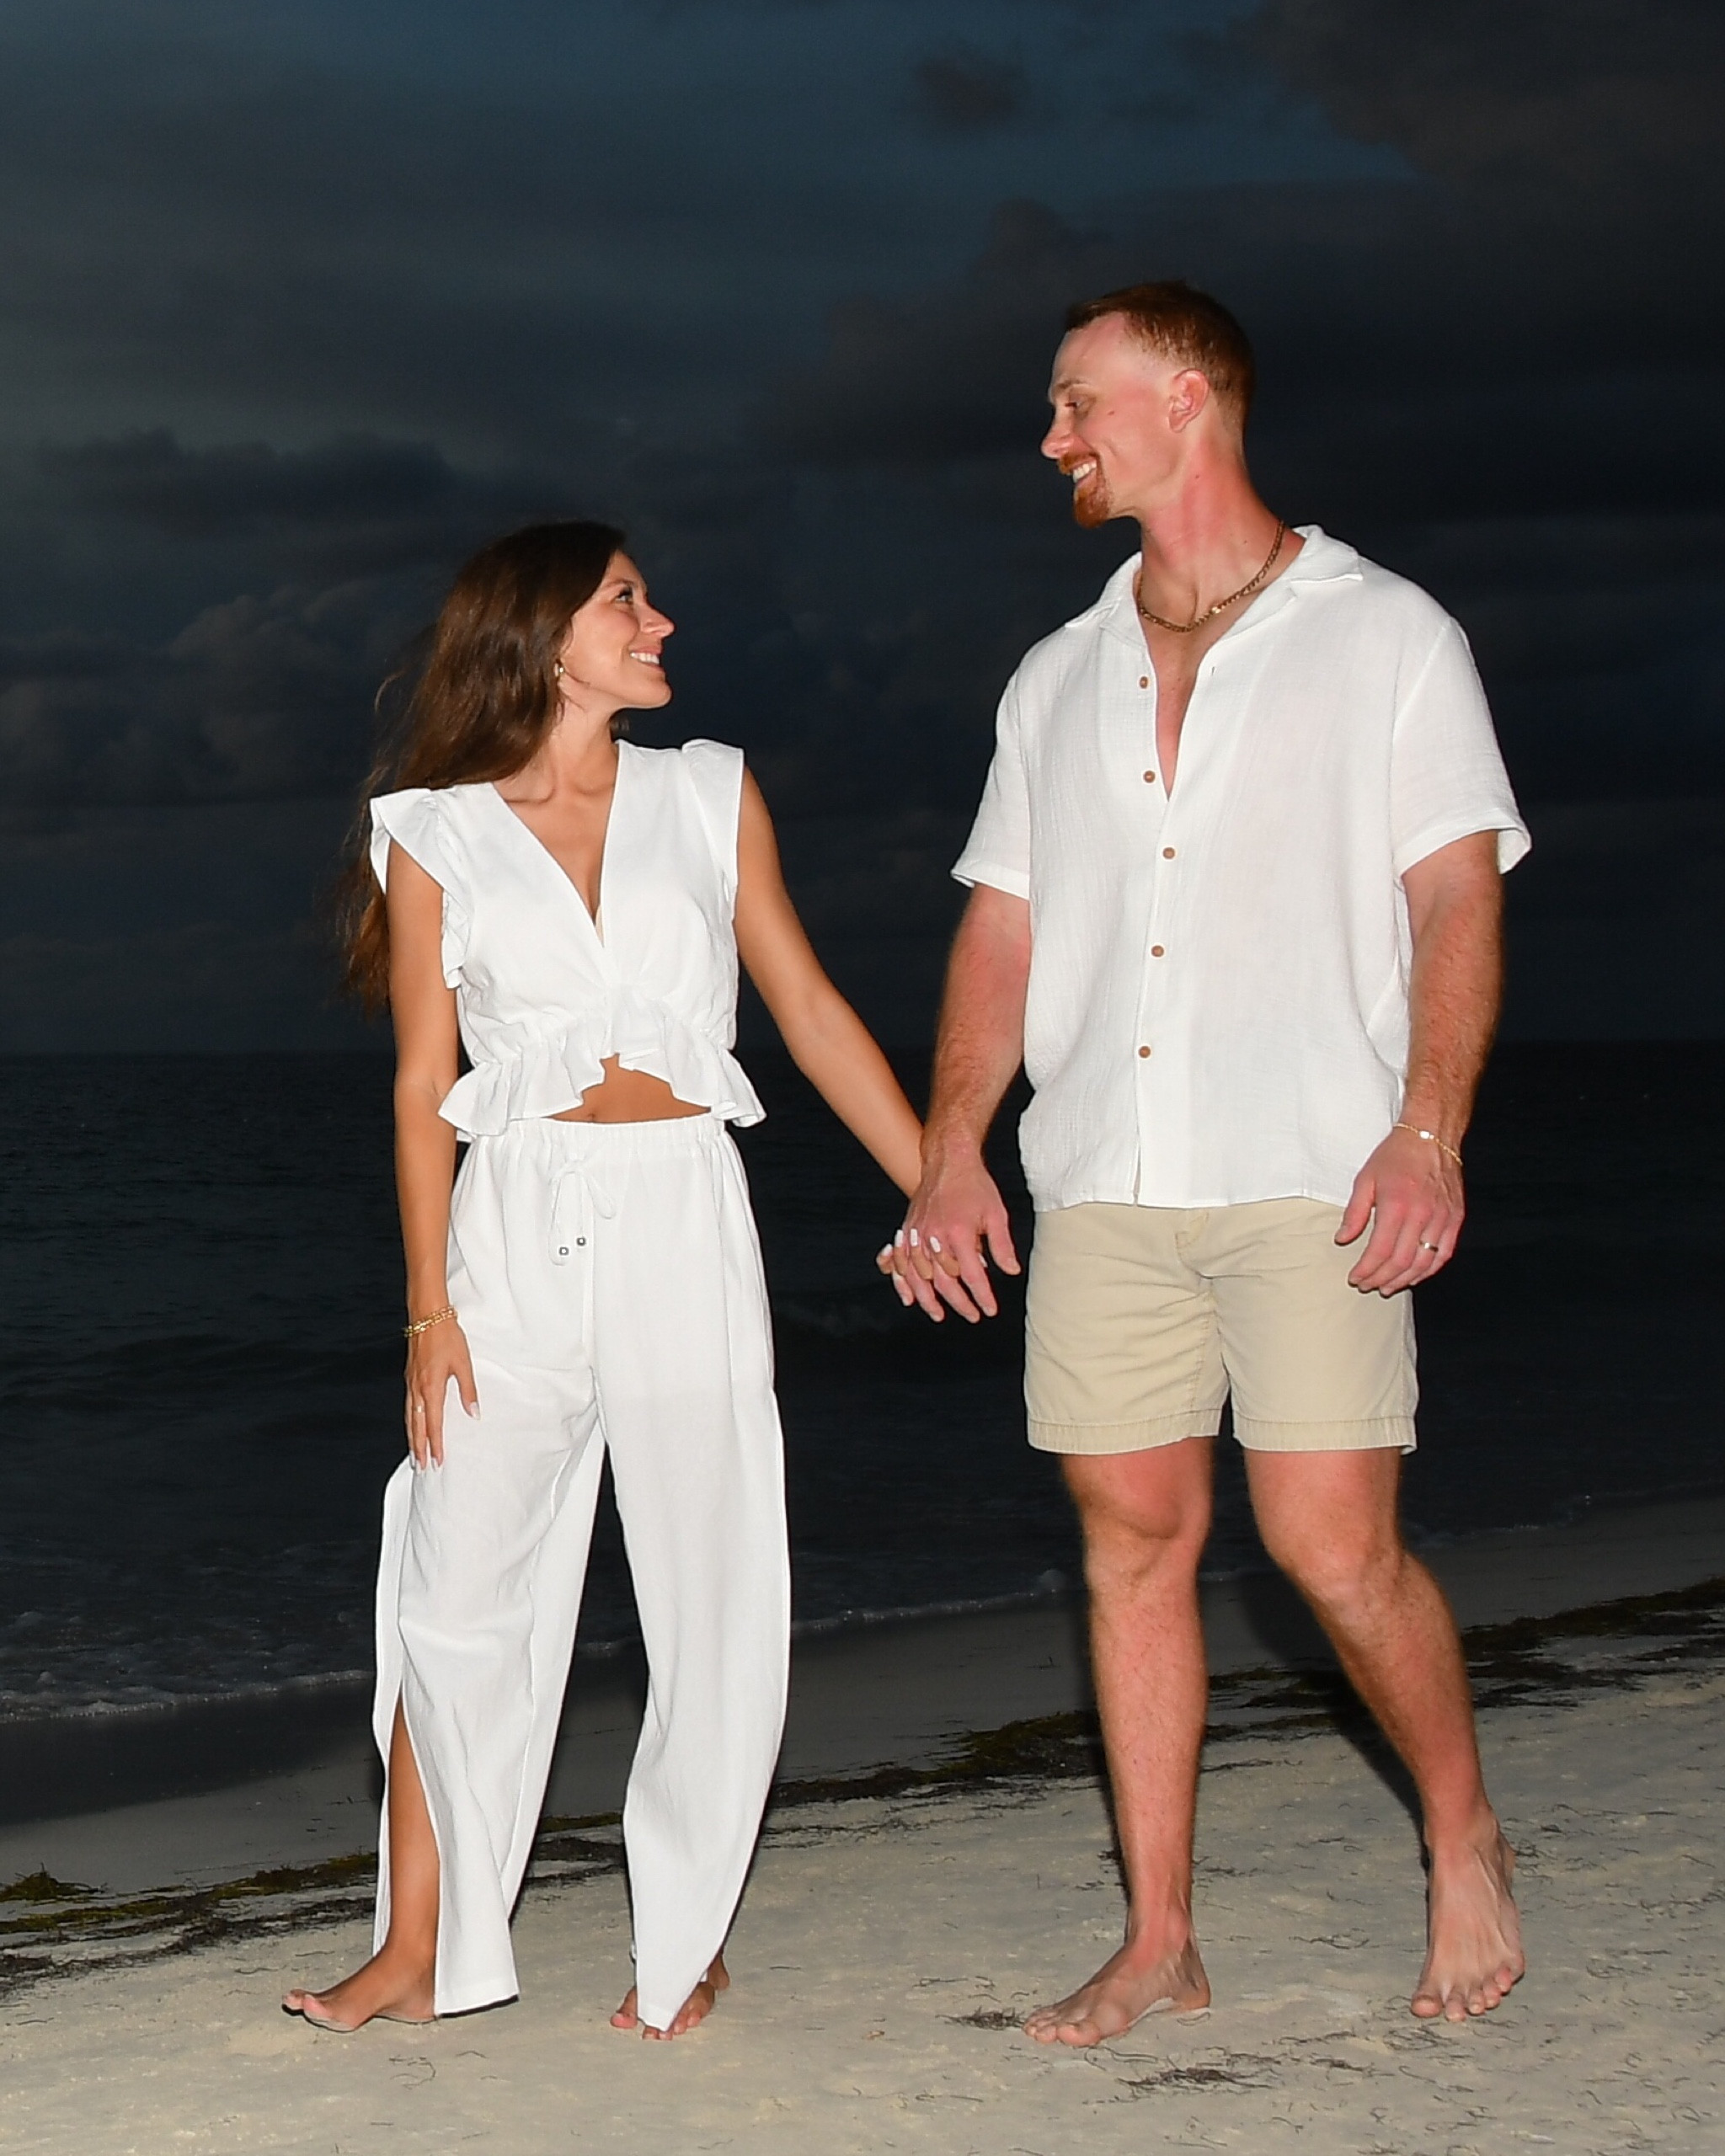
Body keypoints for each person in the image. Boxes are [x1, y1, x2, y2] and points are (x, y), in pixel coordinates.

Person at [884, 282, 1530, 2036]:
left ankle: (1460, 1828)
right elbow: (1004, 929)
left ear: (1186, 398)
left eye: (1074, 402)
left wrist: (1430, 1128)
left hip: (1313, 1162)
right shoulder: (1056, 674)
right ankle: (1161, 1934)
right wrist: (952, 1154)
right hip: (1104, 1169)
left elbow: (1453, 894)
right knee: (1130, 1543)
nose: (1052, 439)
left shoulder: (1387, 634)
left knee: (1332, 1548)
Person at [285, 521, 922, 2040]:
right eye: (625, 599)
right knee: (454, 1587)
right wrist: (428, 1310)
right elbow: (422, 1085)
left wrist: (935, 1179)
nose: (660, 619)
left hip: (682, 1209)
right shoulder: (436, 832)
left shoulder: (709, 793)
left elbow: (807, 1005)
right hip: (512, 1226)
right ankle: (418, 1948)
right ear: (541, 637)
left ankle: (685, 1943)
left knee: (712, 1582)